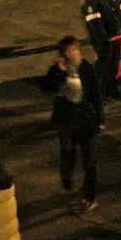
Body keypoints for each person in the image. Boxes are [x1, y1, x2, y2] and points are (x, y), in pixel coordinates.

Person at [39, 38, 103, 213]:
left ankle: (89, 196)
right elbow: (46, 88)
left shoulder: (87, 69)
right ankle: (67, 180)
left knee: (89, 161)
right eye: (68, 51)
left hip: (86, 120)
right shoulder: (57, 69)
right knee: (67, 154)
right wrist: (60, 74)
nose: (72, 53)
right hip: (67, 120)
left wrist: (100, 120)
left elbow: (96, 95)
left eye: (75, 50)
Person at [81, 0, 121, 100]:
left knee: (113, 67)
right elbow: (95, 23)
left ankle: (112, 90)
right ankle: (98, 94)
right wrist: (103, 40)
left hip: (115, 37)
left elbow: (120, 11)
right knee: (103, 68)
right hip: (105, 40)